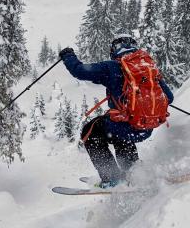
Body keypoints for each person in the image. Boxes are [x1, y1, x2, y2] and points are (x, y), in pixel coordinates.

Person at [59, 34, 174, 188]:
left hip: (127, 127)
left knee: (91, 131)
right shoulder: (148, 68)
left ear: (114, 50)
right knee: (120, 132)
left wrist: (68, 56)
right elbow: (169, 97)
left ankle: (111, 178)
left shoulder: (112, 67)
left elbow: (80, 71)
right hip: (146, 128)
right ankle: (133, 173)